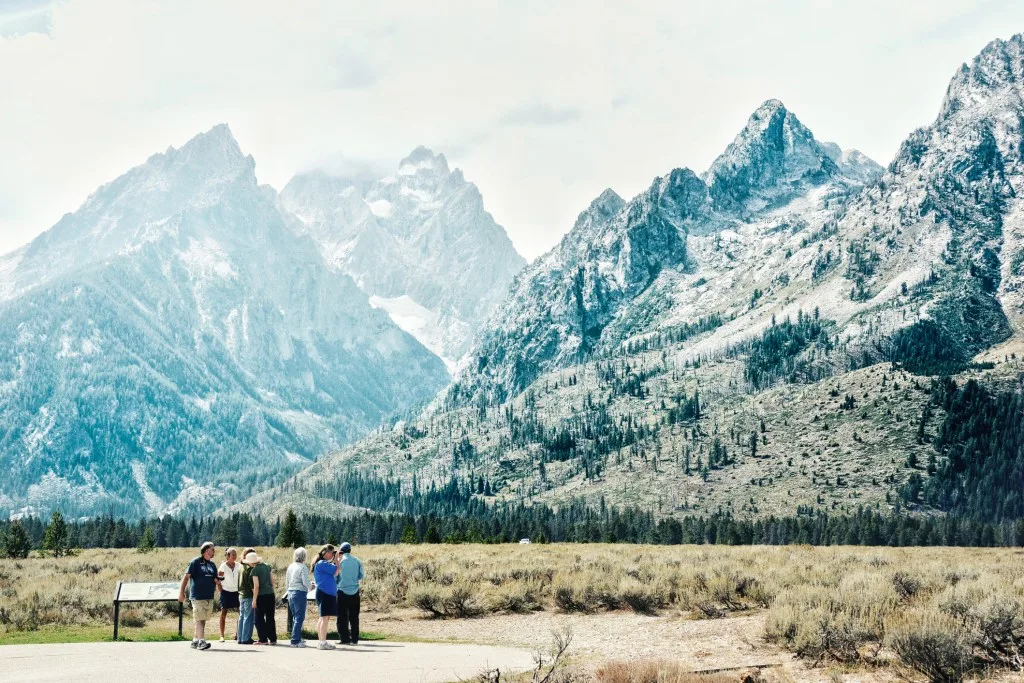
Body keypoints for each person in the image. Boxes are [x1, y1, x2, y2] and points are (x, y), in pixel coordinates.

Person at [178, 541, 221, 651]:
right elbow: (186, 577)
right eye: (212, 549)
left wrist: (217, 581)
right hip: (197, 596)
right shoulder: (195, 562)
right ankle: (201, 641)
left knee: (202, 620)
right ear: (207, 550)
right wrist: (181, 592)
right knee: (199, 618)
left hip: (208, 596)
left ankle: (195, 640)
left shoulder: (212, 565)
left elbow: (214, 578)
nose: (214, 551)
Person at [311, 544, 340, 650]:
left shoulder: (322, 564)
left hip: (325, 592)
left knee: (323, 618)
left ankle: (321, 641)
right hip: (325, 593)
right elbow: (337, 571)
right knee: (325, 619)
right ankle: (322, 642)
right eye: (332, 553)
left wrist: (335, 559)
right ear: (326, 553)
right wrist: (337, 559)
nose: (333, 555)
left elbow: (335, 572)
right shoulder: (322, 563)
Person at [336, 542, 365, 646]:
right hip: (354, 591)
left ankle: (344, 638)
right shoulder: (357, 560)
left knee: (342, 616)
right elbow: (361, 575)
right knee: (354, 616)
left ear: (341, 551)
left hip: (342, 591)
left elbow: (335, 577)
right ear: (350, 550)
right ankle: (355, 638)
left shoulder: (339, 561)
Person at [248, 550, 277, 645]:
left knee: (258, 618)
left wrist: (254, 600)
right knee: (270, 617)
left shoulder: (254, 570)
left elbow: (256, 586)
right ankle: (272, 638)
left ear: (251, 562)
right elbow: (272, 581)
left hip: (261, 596)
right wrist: (273, 591)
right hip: (270, 594)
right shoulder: (266, 566)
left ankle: (263, 639)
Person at [285, 547, 311, 647]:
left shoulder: (291, 566)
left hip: (290, 592)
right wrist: (311, 586)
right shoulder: (303, 567)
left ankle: (297, 637)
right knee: (299, 617)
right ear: (304, 556)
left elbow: (287, 581)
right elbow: (305, 582)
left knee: (295, 617)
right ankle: (295, 640)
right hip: (299, 593)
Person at [217, 547, 240, 642]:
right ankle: (222, 635)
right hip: (226, 592)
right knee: (223, 613)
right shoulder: (223, 566)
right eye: (232, 554)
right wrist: (221, 591)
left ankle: (238, 634)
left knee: (240, 613)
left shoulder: (239, 565)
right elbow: (218, 580)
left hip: (236, 592)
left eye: (235, 554)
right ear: (228, 556)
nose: (234, 556)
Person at [237, 547, 257, 645]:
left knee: (242, 617)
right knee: (248, 617)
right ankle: (246, 638)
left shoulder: (241, 567)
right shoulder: (250, 569)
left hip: (241, 595)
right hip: (248, 595)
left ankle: (240, 637)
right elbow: (252, 585)